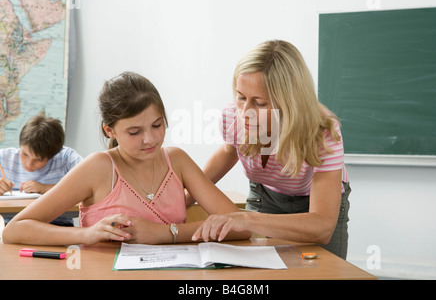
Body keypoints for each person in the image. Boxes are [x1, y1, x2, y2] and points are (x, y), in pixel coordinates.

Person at [2, 72, 250, 246]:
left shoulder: (178, 160)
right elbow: (15, 230)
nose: (150, 139)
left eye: (157, 125)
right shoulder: (98, 167)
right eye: (134, 132)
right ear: (109, 130)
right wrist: (86, 235)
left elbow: (242, 226)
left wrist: (166, 233)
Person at [191, 40, 351, 259]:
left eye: (259, 103)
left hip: (313, 204)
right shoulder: (232, 116)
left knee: (324, 271)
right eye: (241, 97)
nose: (245, 111)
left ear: (289, 102)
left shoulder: (322, 130)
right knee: (258, 270)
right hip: (265, 195)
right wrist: (183, 198)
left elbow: (322, 226)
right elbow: (229, 153)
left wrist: (245, 219)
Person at [0, 114, 83, 226]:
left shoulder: (66, 158)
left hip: (57, 226)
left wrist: (44, 188)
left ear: (53, 156)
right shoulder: (4, 157)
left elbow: (88, 186)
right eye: (24, 154)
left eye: (38, 159)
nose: (29, 164)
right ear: (20, 144)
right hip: (12, 226)